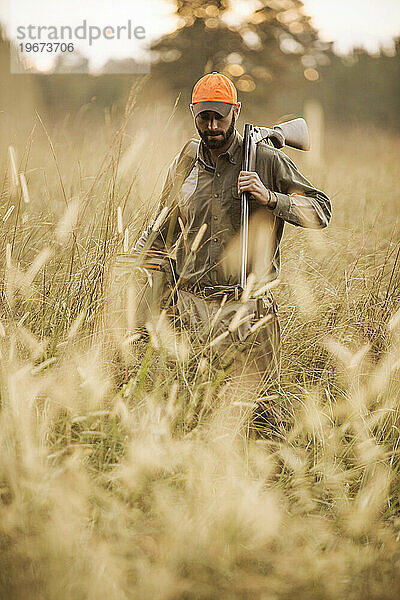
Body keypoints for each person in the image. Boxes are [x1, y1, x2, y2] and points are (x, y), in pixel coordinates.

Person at [133, 72, 331, 430]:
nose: (211, 126)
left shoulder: (265, 159)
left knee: (257, 424)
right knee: (190, 417)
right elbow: (163, 229)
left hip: (248, 314)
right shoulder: (188, 160)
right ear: (193, 113)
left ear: (236, 111)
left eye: (219, 116)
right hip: (191, 313)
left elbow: (321, 210)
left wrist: (270, 197)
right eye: (203, 116)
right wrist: (142, 281)